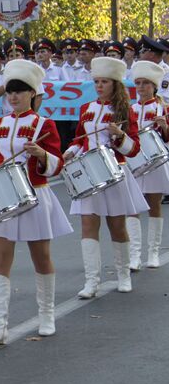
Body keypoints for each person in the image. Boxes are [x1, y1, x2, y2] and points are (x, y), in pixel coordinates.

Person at [0, 60, 73, 345]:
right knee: (0, 258)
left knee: (41, 257)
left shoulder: (44, 124)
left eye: (20, 91)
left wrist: (40, 154)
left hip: (35, 195)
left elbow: (56, 165)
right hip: (2, 197)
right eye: (10, 91)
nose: (13, 97)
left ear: (33, 94)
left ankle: (46, 315)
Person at [63, 57, 148, 298]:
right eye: (97, 81)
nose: (99, 86)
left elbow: (133, 150)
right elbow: (80, 139)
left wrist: (120, 135)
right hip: (89, 173)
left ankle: (123, 275)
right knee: (88, 224)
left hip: (115, 171)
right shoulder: (86, 109)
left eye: (104, 82)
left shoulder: (125, 112)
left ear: (115, 84)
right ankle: (92, 281)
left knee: (117, 226)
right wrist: (70, 153)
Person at [125, 61, 169, 270]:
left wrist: (164, 126)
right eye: (138, 83)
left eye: (145, 83)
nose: (141, 87)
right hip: (133, 162)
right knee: (132, 207)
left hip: (155, 162)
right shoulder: (129, 109)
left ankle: (153, 253)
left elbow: (167, 139)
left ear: (154, 86)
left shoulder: (163, 108)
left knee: (154, 205)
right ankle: (134, 255)